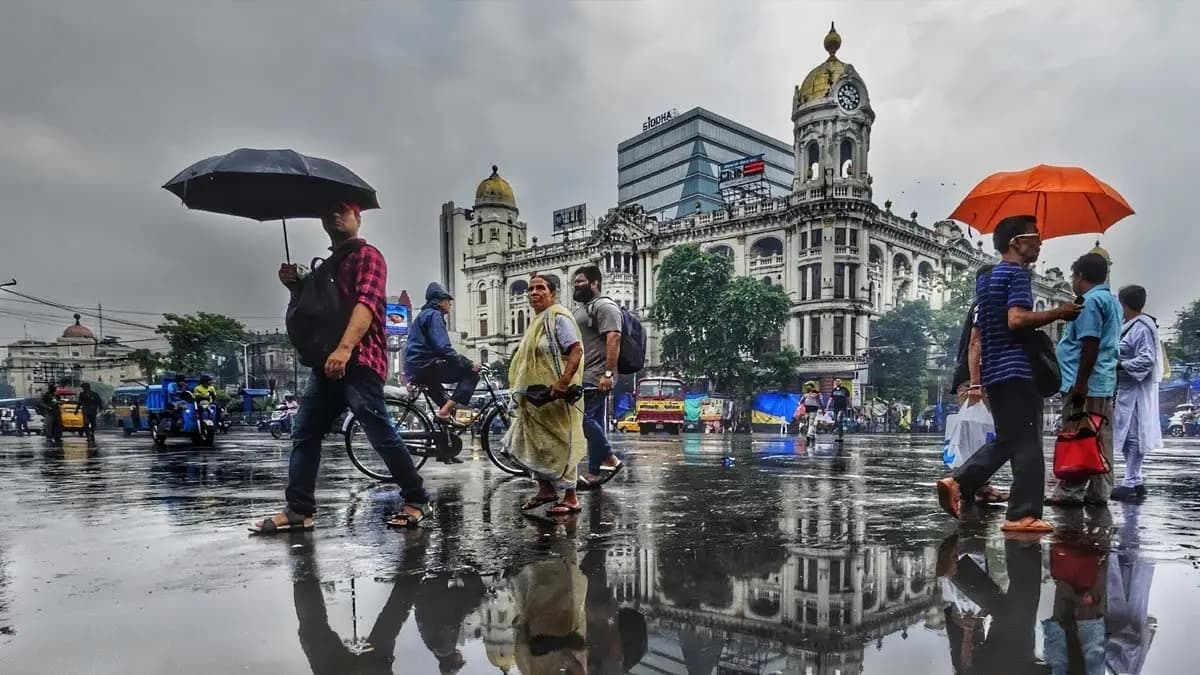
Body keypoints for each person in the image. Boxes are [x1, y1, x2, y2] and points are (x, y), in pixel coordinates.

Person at [250, 201, 430, 533]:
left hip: (360, 361)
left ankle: (417, 498)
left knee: (380, 433)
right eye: (328, 211)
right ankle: (299, 510)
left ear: (357, 218)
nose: (334, 215)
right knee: (304, 432)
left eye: (343, 211)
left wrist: (346, 349)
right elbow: (312, 314)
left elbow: (367, 304)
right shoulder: (322, 268)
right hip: (325, 364)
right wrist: (295, 287)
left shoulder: (368, 257)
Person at [936, 215, 1082, 534]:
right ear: (1016, 242)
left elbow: (980, 336)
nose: (1040, 243)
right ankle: (1022, 514)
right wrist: (1060, 313)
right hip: (1018, 370)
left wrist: (977, 380)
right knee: (1028, 442)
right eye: (1035, 237)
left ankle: (958, 481)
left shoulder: (987, 280)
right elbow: (1016, 320)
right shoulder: (1016, 275)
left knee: (1008, 439)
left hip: (996, 373)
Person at [508, 273, 586, 516]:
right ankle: (545, 490)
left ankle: (571, 497)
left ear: (552, 293)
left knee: (562, 443)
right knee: (532, 443)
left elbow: (576, 350)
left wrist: (563, 383)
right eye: (530, 289)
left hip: (556, 396)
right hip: (535, 398)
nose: (533, 292)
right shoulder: (538, 322)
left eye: (540, 288)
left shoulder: (558, 317)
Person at [1047, 253, 1120, 508]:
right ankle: (1099, 492)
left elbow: (1090, 344)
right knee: (1100, 437)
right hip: (1102, 381)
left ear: (1079, 277)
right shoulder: (1111, 301)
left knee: (1078, 436)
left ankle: (1070, 491)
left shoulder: (1089, 302)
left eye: (1072, 276)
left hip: (1085, 383)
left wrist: (1080, 385)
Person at [571, 265, 625, 490]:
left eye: (581, 281)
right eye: (575, 281)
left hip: (597, 375)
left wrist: (608, 373)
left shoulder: (604, 306)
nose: (576, 284)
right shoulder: (586, 307)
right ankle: (594, 473)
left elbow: (614, 338)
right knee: (595, 423)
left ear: (595, 284)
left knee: (585, 421)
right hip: (586, 374)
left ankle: (610, 459)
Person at [1111, 285, 1162, 503]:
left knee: (1134, 437)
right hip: (1126, 389)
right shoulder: (1129, 326)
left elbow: (1147, 359)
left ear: (1122, 304)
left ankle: (1130, 481)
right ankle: (1136, 479)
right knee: (1125, 436)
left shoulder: (1141, 328)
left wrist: (1119, 365)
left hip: (1136, 389)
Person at [405, 282, 482, 427]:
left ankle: (446, 423)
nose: (450, 305)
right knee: (472, 375)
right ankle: (445, 412)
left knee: (446, 402)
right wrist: (469, 364)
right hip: (425, 365)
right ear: (440, 301)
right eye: (448, 301)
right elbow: (443, 348)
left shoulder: (424, 315)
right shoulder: (434, 315)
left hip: (417, 366)